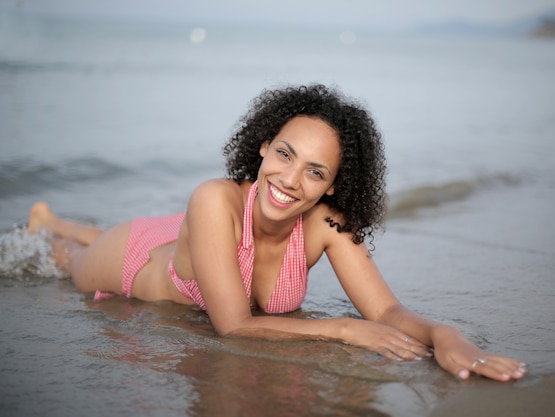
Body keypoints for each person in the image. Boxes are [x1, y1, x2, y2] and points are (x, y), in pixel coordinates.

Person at [28, 84, 526, 382]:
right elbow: (234, 327)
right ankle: (50, 228)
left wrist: (446, 335)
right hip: (135, 259)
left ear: (333, 185)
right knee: (68, 258)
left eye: (315, 171)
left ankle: (57, 220)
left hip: (197, 238)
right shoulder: (212, 197)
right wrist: (347, 328)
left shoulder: (327, 223)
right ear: (264, 147)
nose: (290, 180)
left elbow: (387, 312)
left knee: (121, 236)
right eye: (285, 154)